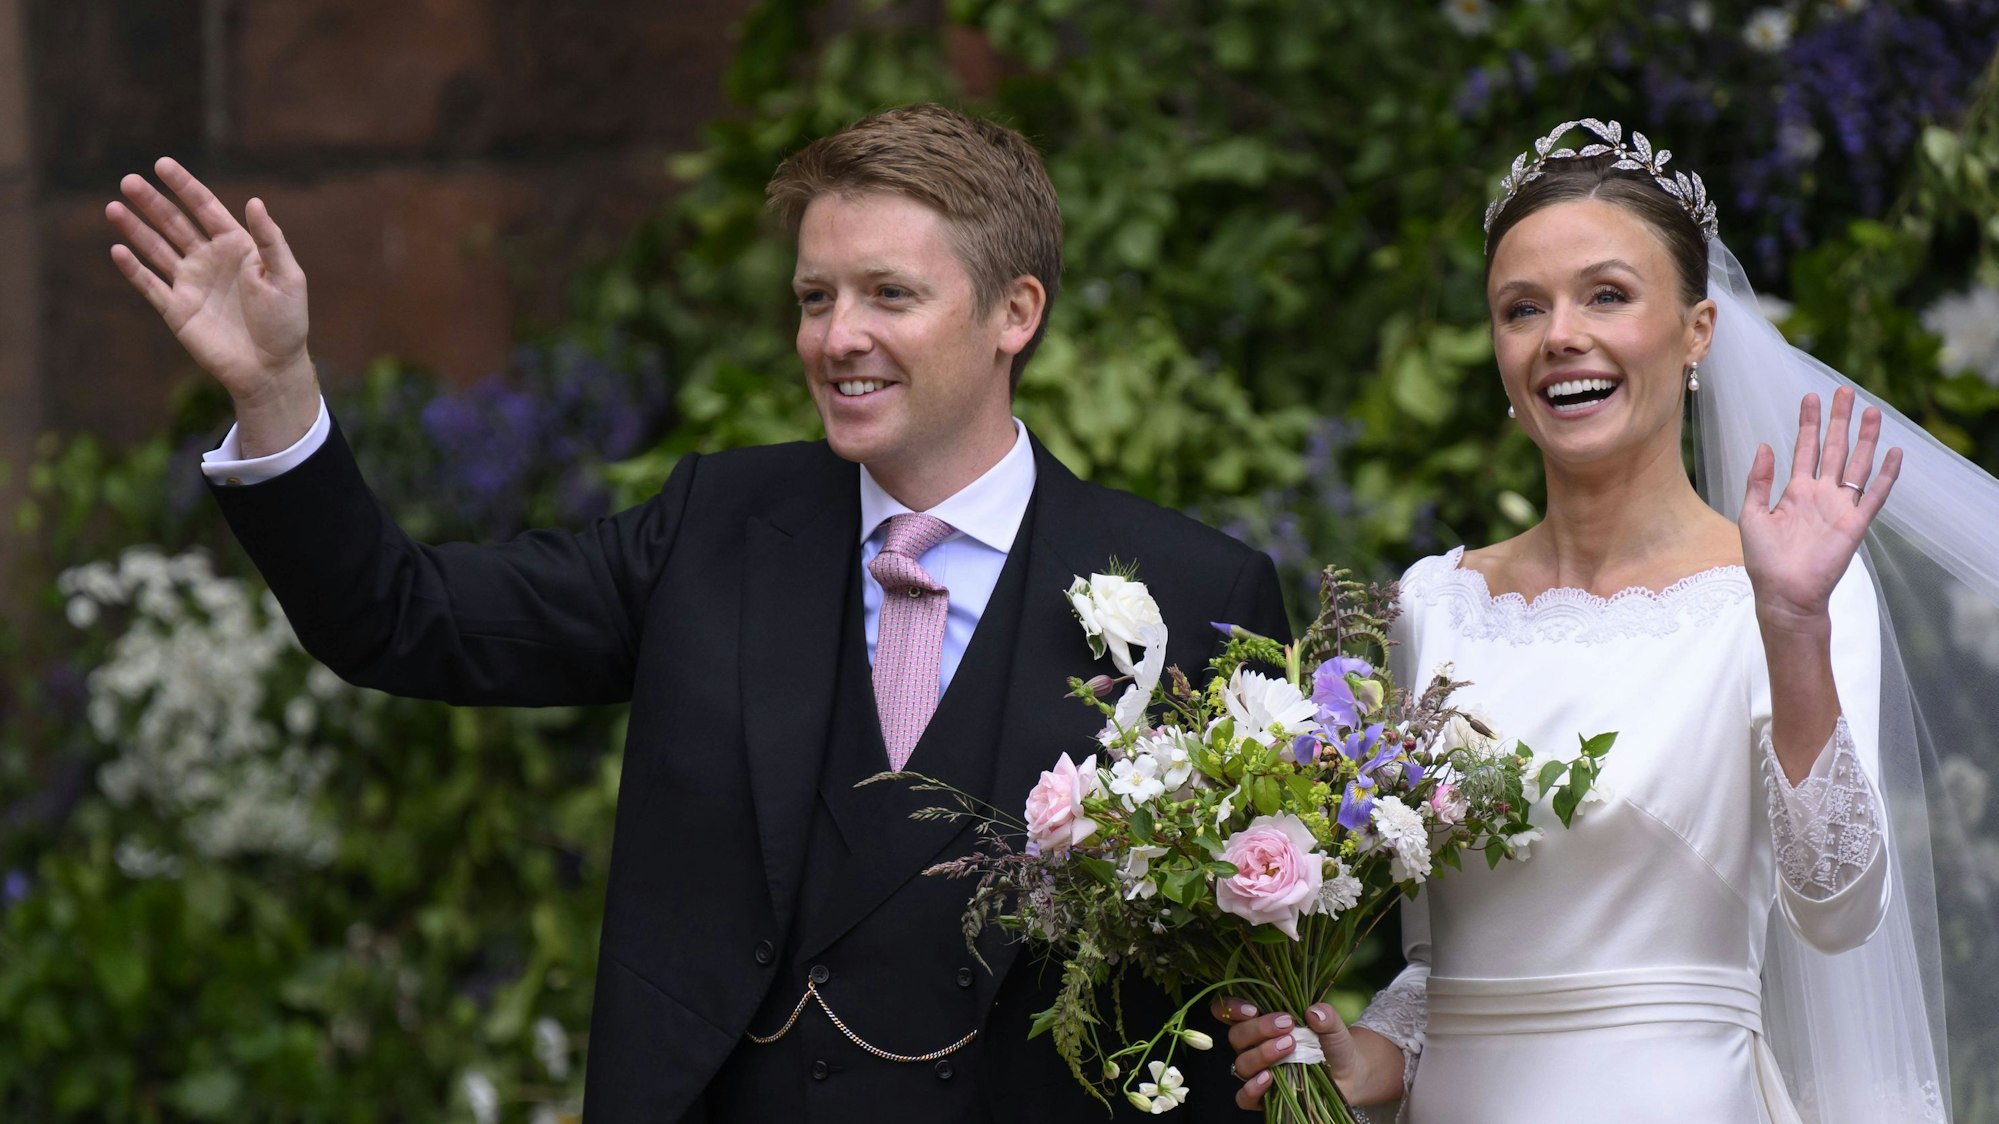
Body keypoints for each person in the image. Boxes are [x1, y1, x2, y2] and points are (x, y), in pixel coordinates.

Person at [105, 104, 1289, 1122]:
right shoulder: (716, 524)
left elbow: (1252, 979)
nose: (836, 338)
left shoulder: (1193, 596)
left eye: (888, 294)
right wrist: (273, 389)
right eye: (815, 296)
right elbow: (399, 616)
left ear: (1013, 312)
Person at [1218, 119, 1977, 1121]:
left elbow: (1838, 911)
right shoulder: (1437, 606)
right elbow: (1437, 960)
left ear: (1696, 329)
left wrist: (1790, 622)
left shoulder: (1788, 586)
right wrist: (1373, 1052)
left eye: (1606, 295)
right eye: (1520, 308)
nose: (1559, 335)